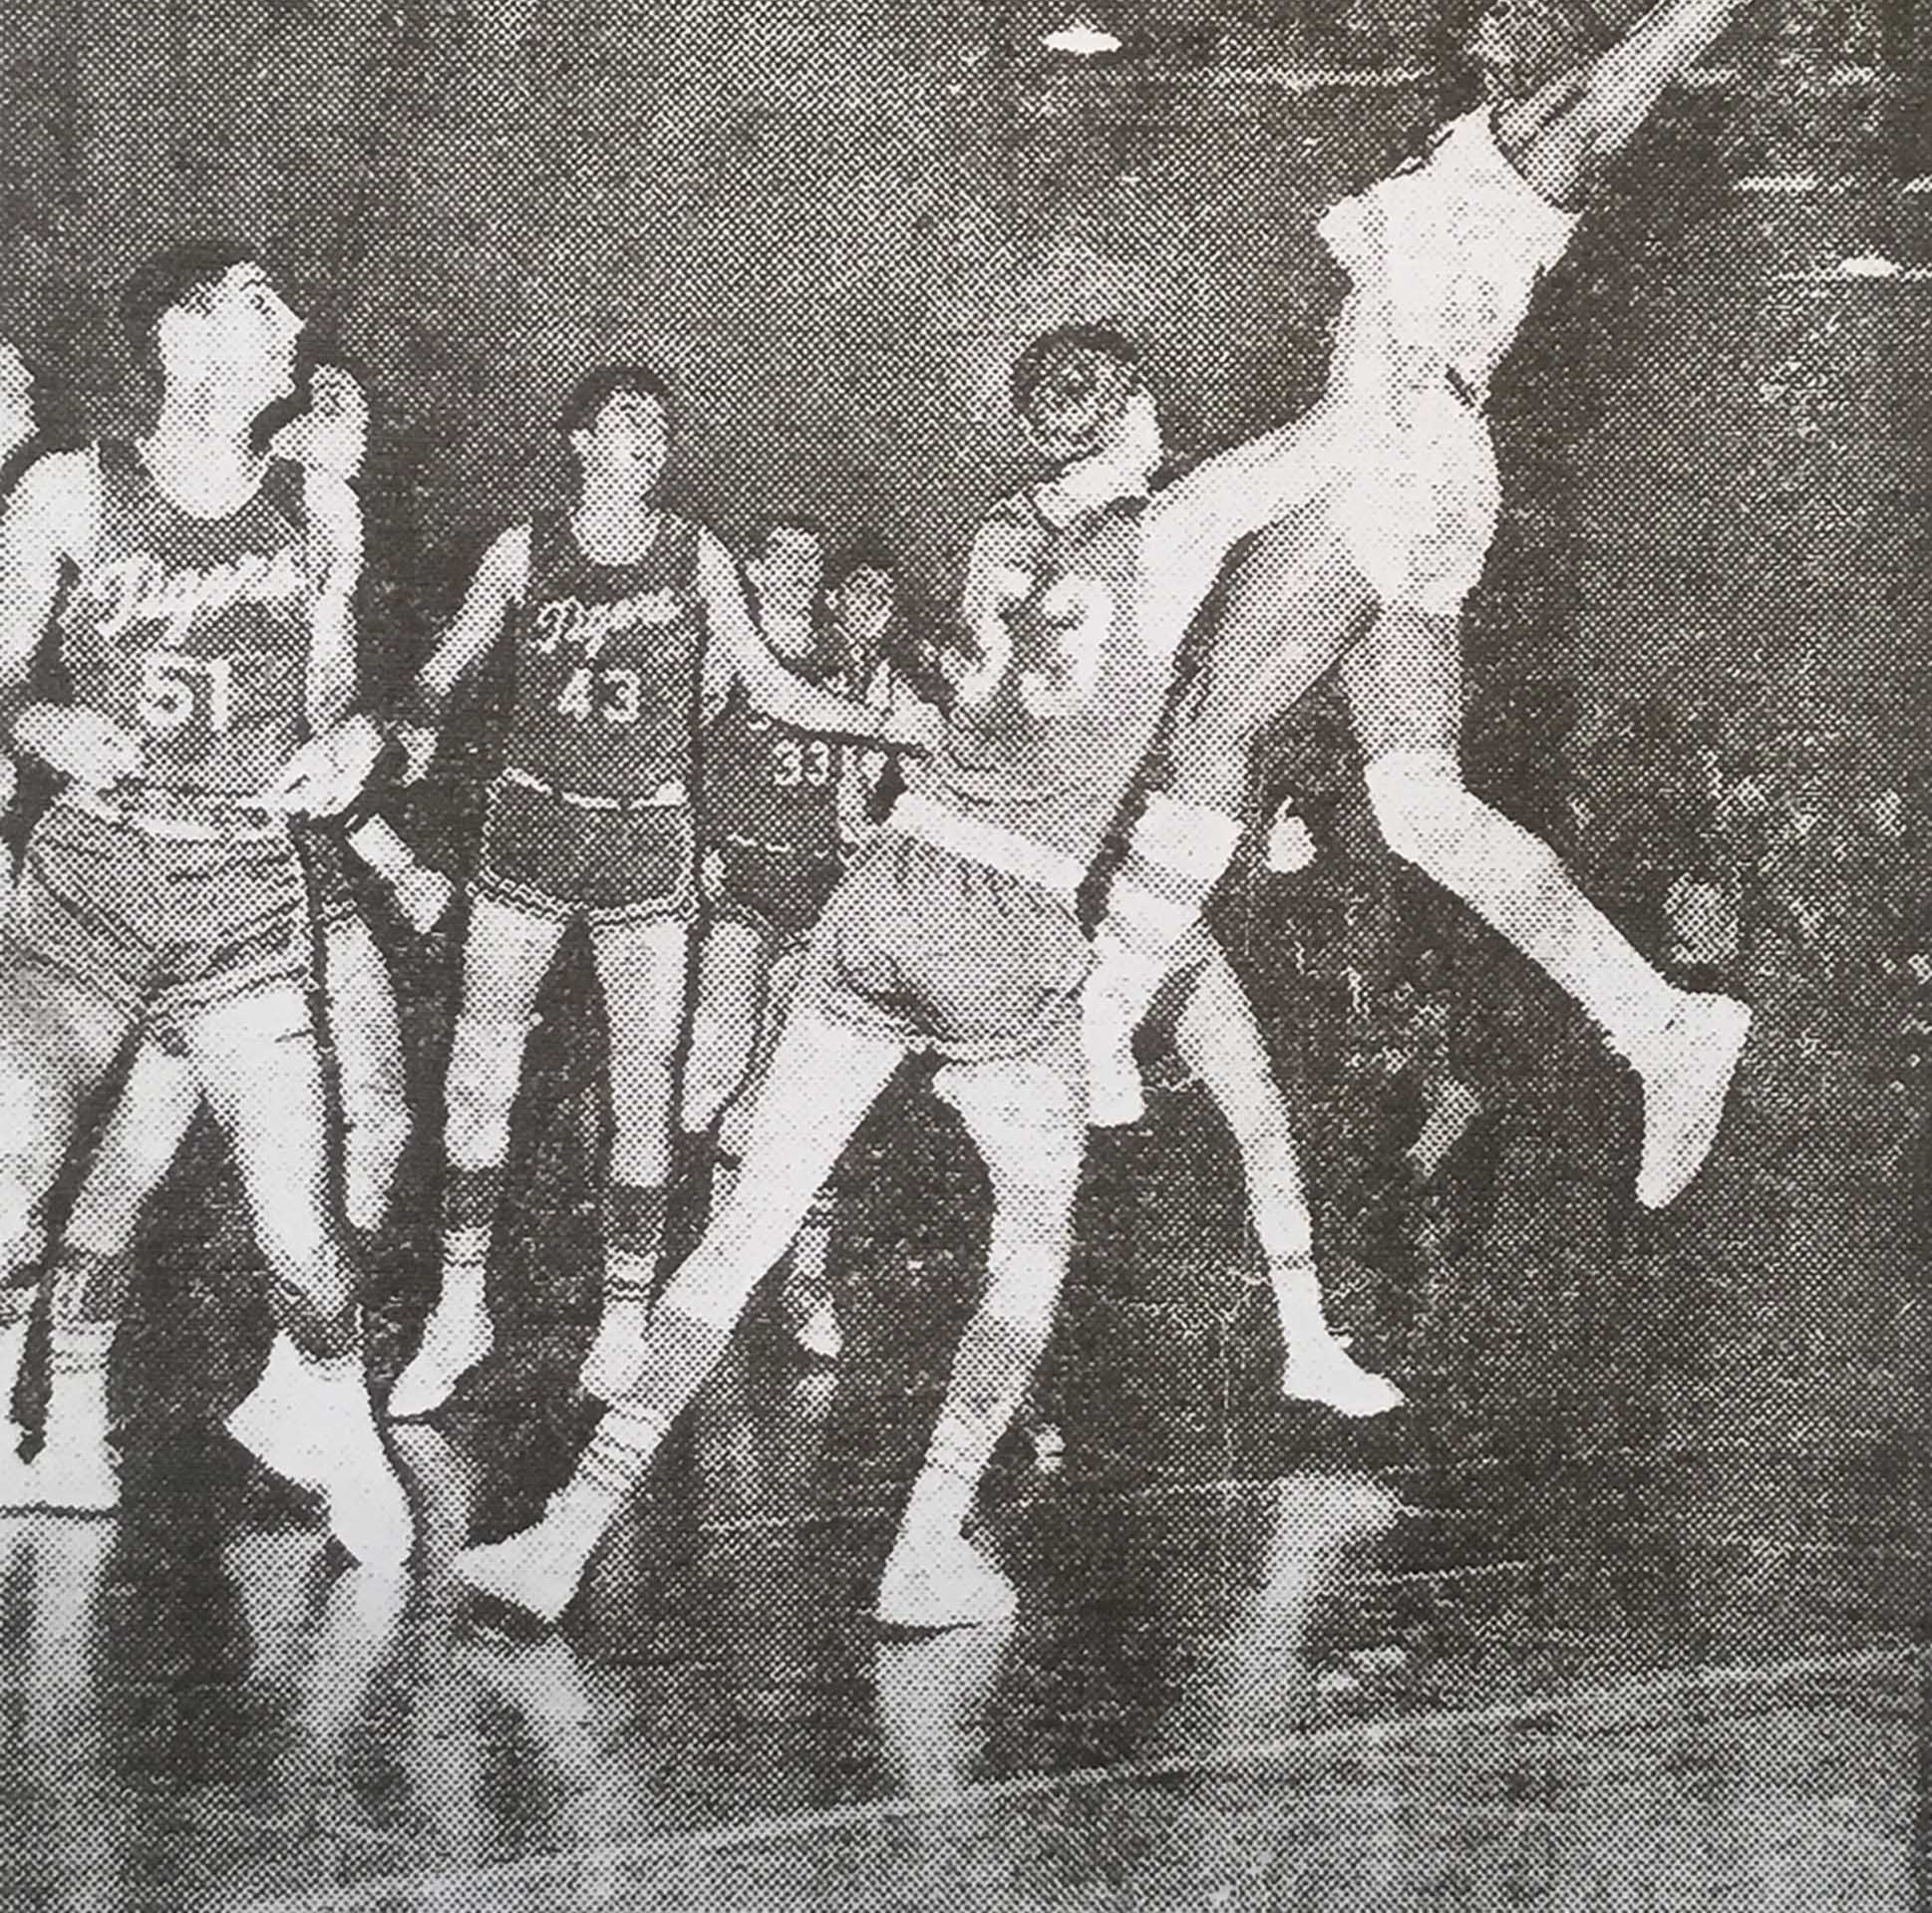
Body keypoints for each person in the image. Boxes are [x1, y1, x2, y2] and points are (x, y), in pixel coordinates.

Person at [451, 323, 1398, 1636]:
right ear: (1130, 426)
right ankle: (928, 1544)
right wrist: (1385, 284)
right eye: (1151, 423)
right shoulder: (1166, 529)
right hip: (1008, 909)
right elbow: (1340, 435)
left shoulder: (996, 536)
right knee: (1031, 1238)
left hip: (889, 879)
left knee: (746, 1223)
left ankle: (562, 1534)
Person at [1074, 0, 1932, 1207]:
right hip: (1410, 462)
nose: (1503, 5)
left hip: (1394, 449)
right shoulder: (1458, 154)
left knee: (1215, 717)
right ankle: (1662, 1025)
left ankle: (1102, 1023)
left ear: (1569, 49)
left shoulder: (1557, 135)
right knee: (1413, 805)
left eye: (1535, 5)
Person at [385, 367, 931, 1420]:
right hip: (534, 821)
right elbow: (446, 665)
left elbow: (770, 689)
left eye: (664, 425)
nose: (653, 437)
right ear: (580, 438)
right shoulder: (524, 546)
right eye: (630, 420)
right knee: (477, 1070)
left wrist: (891, 725)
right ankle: (460, 1309)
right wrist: (413, 716)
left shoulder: (697, 553)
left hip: (646, 832)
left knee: (650, 1075)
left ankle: (626, 1313)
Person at [0, 244, 411, 1565]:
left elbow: (340, 702)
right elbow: (0, 681)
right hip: (88, 886)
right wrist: (38, 715)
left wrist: (361, 749)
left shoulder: (322, 513)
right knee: (9, 1189)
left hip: (241, 895)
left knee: (302, 1232)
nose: (292, 320)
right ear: (178, 343)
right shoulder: (70, 490)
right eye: (256, 301)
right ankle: (38, 1425)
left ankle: (336, 1422)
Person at [683, 515, 854, 1364]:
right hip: (740, 881)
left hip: (817, 882)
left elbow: (854, 777)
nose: (799, 572)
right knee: (711, 1077)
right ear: (752, 567)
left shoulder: (839, 656)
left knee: (795, 1091)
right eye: (783, 557)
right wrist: (697, 849)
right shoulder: (723, 649)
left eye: (810, 561)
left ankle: (803, 1281)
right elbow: (680, 758)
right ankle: (698, 1258)